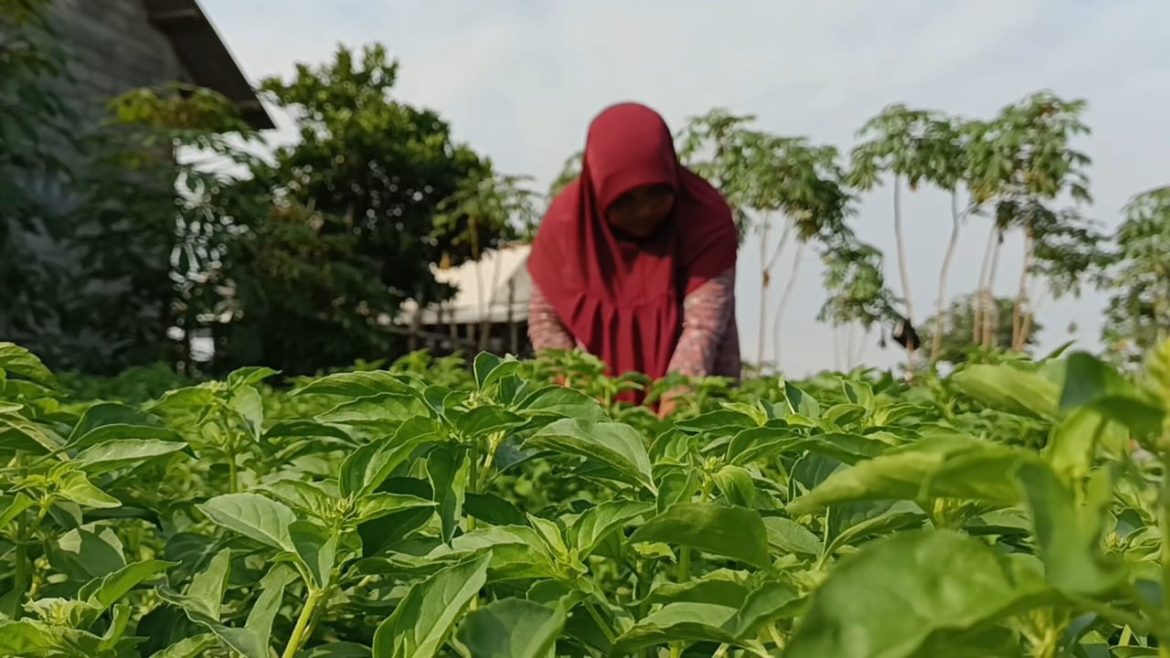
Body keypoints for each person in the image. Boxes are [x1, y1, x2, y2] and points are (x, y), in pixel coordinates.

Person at [526, 102, 741, 414]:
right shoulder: (567, 226)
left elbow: (703, 326)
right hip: (597, 407)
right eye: (624, 200)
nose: (643, 210)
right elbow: (545, 319)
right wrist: (582, 401)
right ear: (599, 193)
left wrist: (677, 413)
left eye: (656, 193)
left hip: (695, 399)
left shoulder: (703, 217)